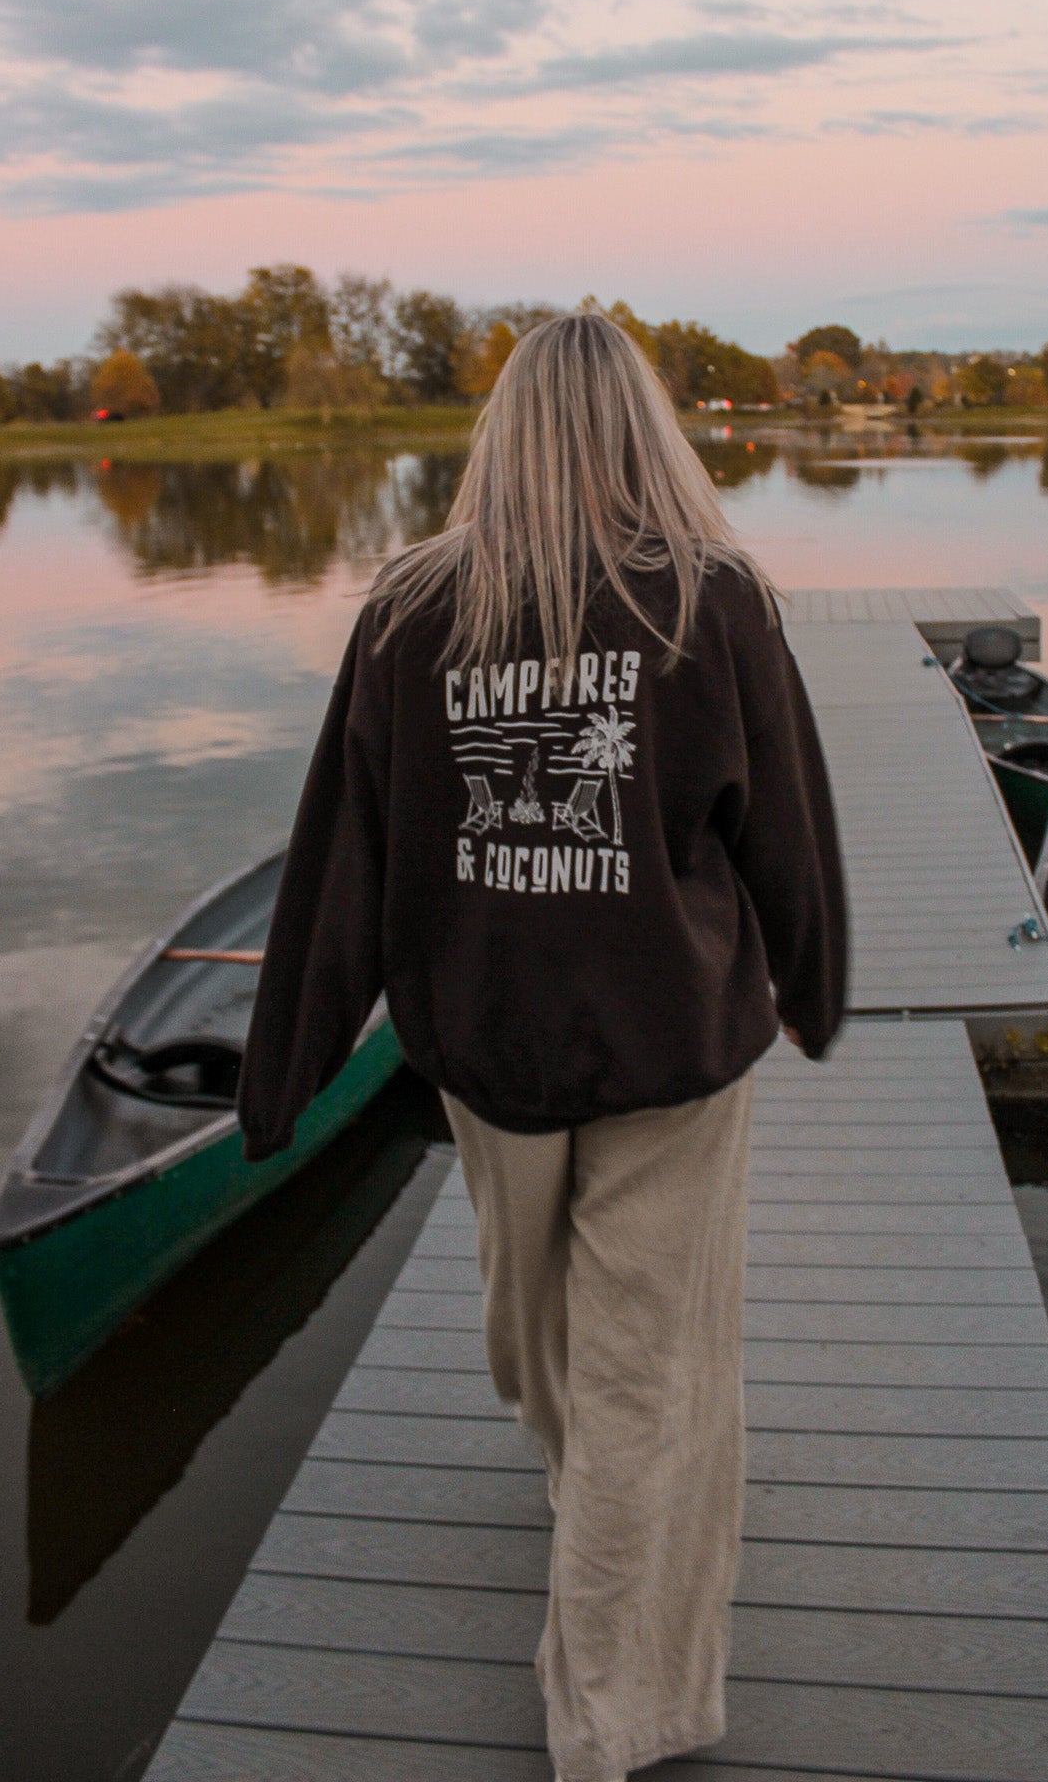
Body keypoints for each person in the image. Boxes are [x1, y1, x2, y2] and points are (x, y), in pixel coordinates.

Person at [237, 309, 847, 1782]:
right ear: (649, 424)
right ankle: (603, 1504)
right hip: (641, 1036)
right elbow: (354, 846)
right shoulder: (650, 600)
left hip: (535, 1050)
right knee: (564, 1353)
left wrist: (282, 1077)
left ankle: (605, 1716)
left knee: (628, 1370)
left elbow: (338, 862)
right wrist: (810, 986)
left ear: (499, 428)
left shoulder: (448, 608)